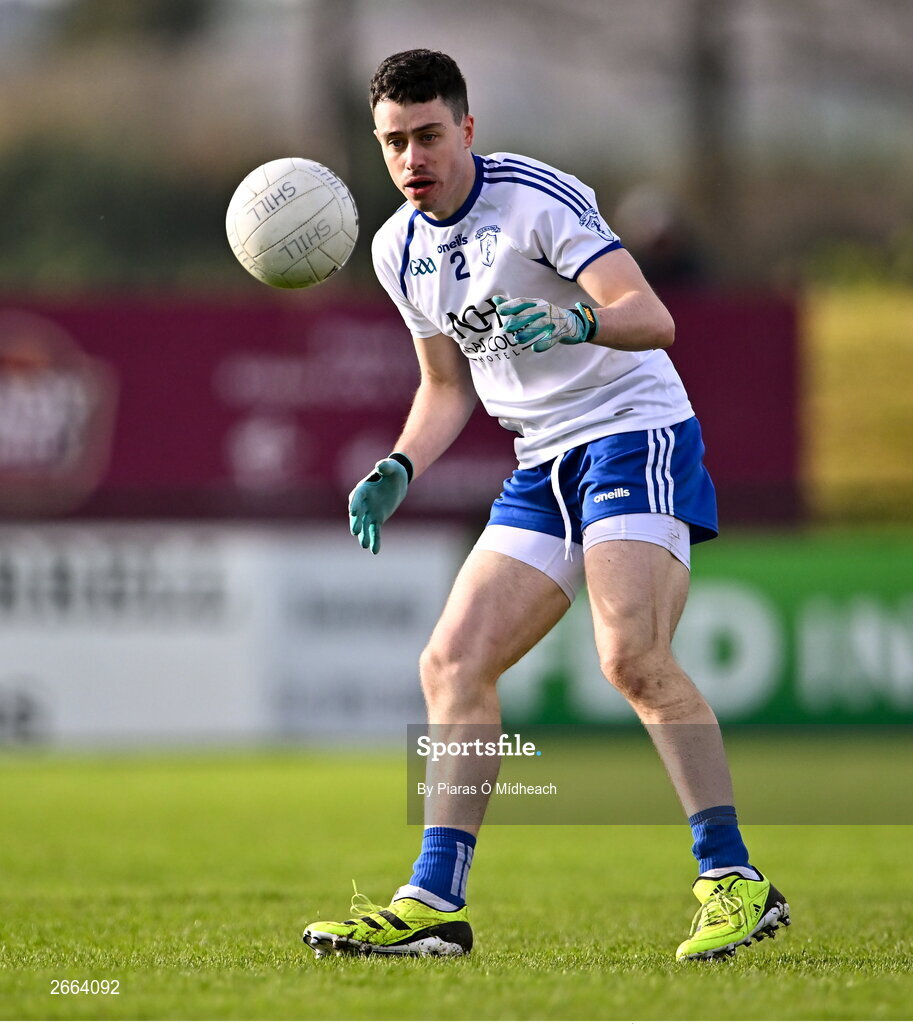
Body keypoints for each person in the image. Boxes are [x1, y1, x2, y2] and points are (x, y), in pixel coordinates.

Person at [302, 49, 789, 962]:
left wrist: (574, 321)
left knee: (631, 655)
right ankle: (433, 903)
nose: (414, 159)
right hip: (542, 463)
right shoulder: (396, 248)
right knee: (450, 663)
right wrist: (400, 464)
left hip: (632, 430)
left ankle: (733, 879)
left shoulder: (536, 198)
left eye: (430, 136)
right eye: (395, 142)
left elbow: (650, 317)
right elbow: (444, 388)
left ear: (468, 130)